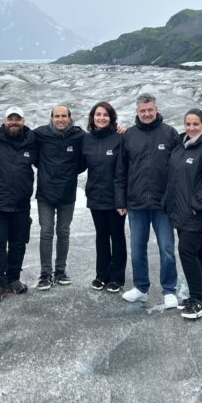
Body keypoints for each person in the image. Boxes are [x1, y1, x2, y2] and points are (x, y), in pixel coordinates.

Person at [117, 93, 182, 308]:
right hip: (136, 203)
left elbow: (180, 168)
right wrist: (121, 200)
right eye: (143, 110)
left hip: (162, 204)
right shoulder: (129, 136)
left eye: (150, 110)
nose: (147, 114)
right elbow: (121, 171)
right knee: (137, 248)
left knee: (166, 248)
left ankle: (169, 289)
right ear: (137, 111)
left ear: (156, 109)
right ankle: (141, 288)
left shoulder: (169, 134)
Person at [163, 109, 202, 320]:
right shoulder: (180, 147)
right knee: (196, 252)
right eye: (188, 124)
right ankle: (200, 295)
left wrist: (197, 204)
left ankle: (197, 299)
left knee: (187, 250)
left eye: (195, 124)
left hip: (196, 212)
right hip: (180, 210)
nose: (191, 128)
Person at [0, 107, 39, 302]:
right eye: (10, 119)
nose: (14, 122)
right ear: (4, 121)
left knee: (18, 244)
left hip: (22, 204)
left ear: (23, 120)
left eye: (18, 119)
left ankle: (13, 279)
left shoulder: (32, 140)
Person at [34, 105, 86, 290]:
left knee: (63, 232)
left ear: (70, 118)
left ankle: (60, 272)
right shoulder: (40, 133)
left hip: (67, 194)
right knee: (46, 233)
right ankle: (45, 275)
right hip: (45, 194)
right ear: (51, 118)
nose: (60, 119)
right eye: (57, 116)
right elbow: (19, 135)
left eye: (64, 116)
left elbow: (85, 159)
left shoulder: (79, 136)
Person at [81, 102, 127, 293]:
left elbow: (123, 171)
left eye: (105, 115)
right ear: (92, 118)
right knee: (101, 236)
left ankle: (117, 278)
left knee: (116, 236)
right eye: (98, 114)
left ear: (111, 118)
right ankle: (101, 275)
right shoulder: (87, 139)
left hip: (116, 199)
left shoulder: (120, 137)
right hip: (95, 196)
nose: (101, 118)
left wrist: (121, 200)